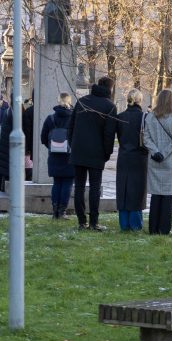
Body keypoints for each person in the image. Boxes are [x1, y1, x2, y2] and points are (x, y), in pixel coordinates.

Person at [66, 76, 117, 231]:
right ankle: (94, 222)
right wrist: (106, 153)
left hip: (78, 151)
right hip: (97, 152)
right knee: (95, 187)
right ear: (110, 88)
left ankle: (81, 221)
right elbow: (109, 134)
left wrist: (73, 145)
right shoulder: (109, 106)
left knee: (79, 186)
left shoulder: (82, 102)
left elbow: (71, 127)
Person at [143, 89, 172, 235]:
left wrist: (155, 152)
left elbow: (146, 138)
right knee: (168, 196)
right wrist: (164, 154)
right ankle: (164, 228)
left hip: (155, 160)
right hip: (171, 160)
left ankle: (153, 228)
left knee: (156, 194)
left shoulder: (150, 117)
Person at [115, 89, 149, 231]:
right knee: (137, 191)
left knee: (123, 190)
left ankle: (124, 223)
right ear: (139, 100)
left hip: (123, 156)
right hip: (139, 158)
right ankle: (136, 224)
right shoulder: (144, 117)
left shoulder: (120, 117)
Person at [41, 93, 76, 219]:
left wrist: (52, 147)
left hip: (54, 156)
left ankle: (55, 211)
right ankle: (62, 212)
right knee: (67, 183)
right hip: (69, 156)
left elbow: (43, 138)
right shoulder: (74, 118)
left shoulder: (50, 119)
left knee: (57, 183)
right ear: (69, 101)